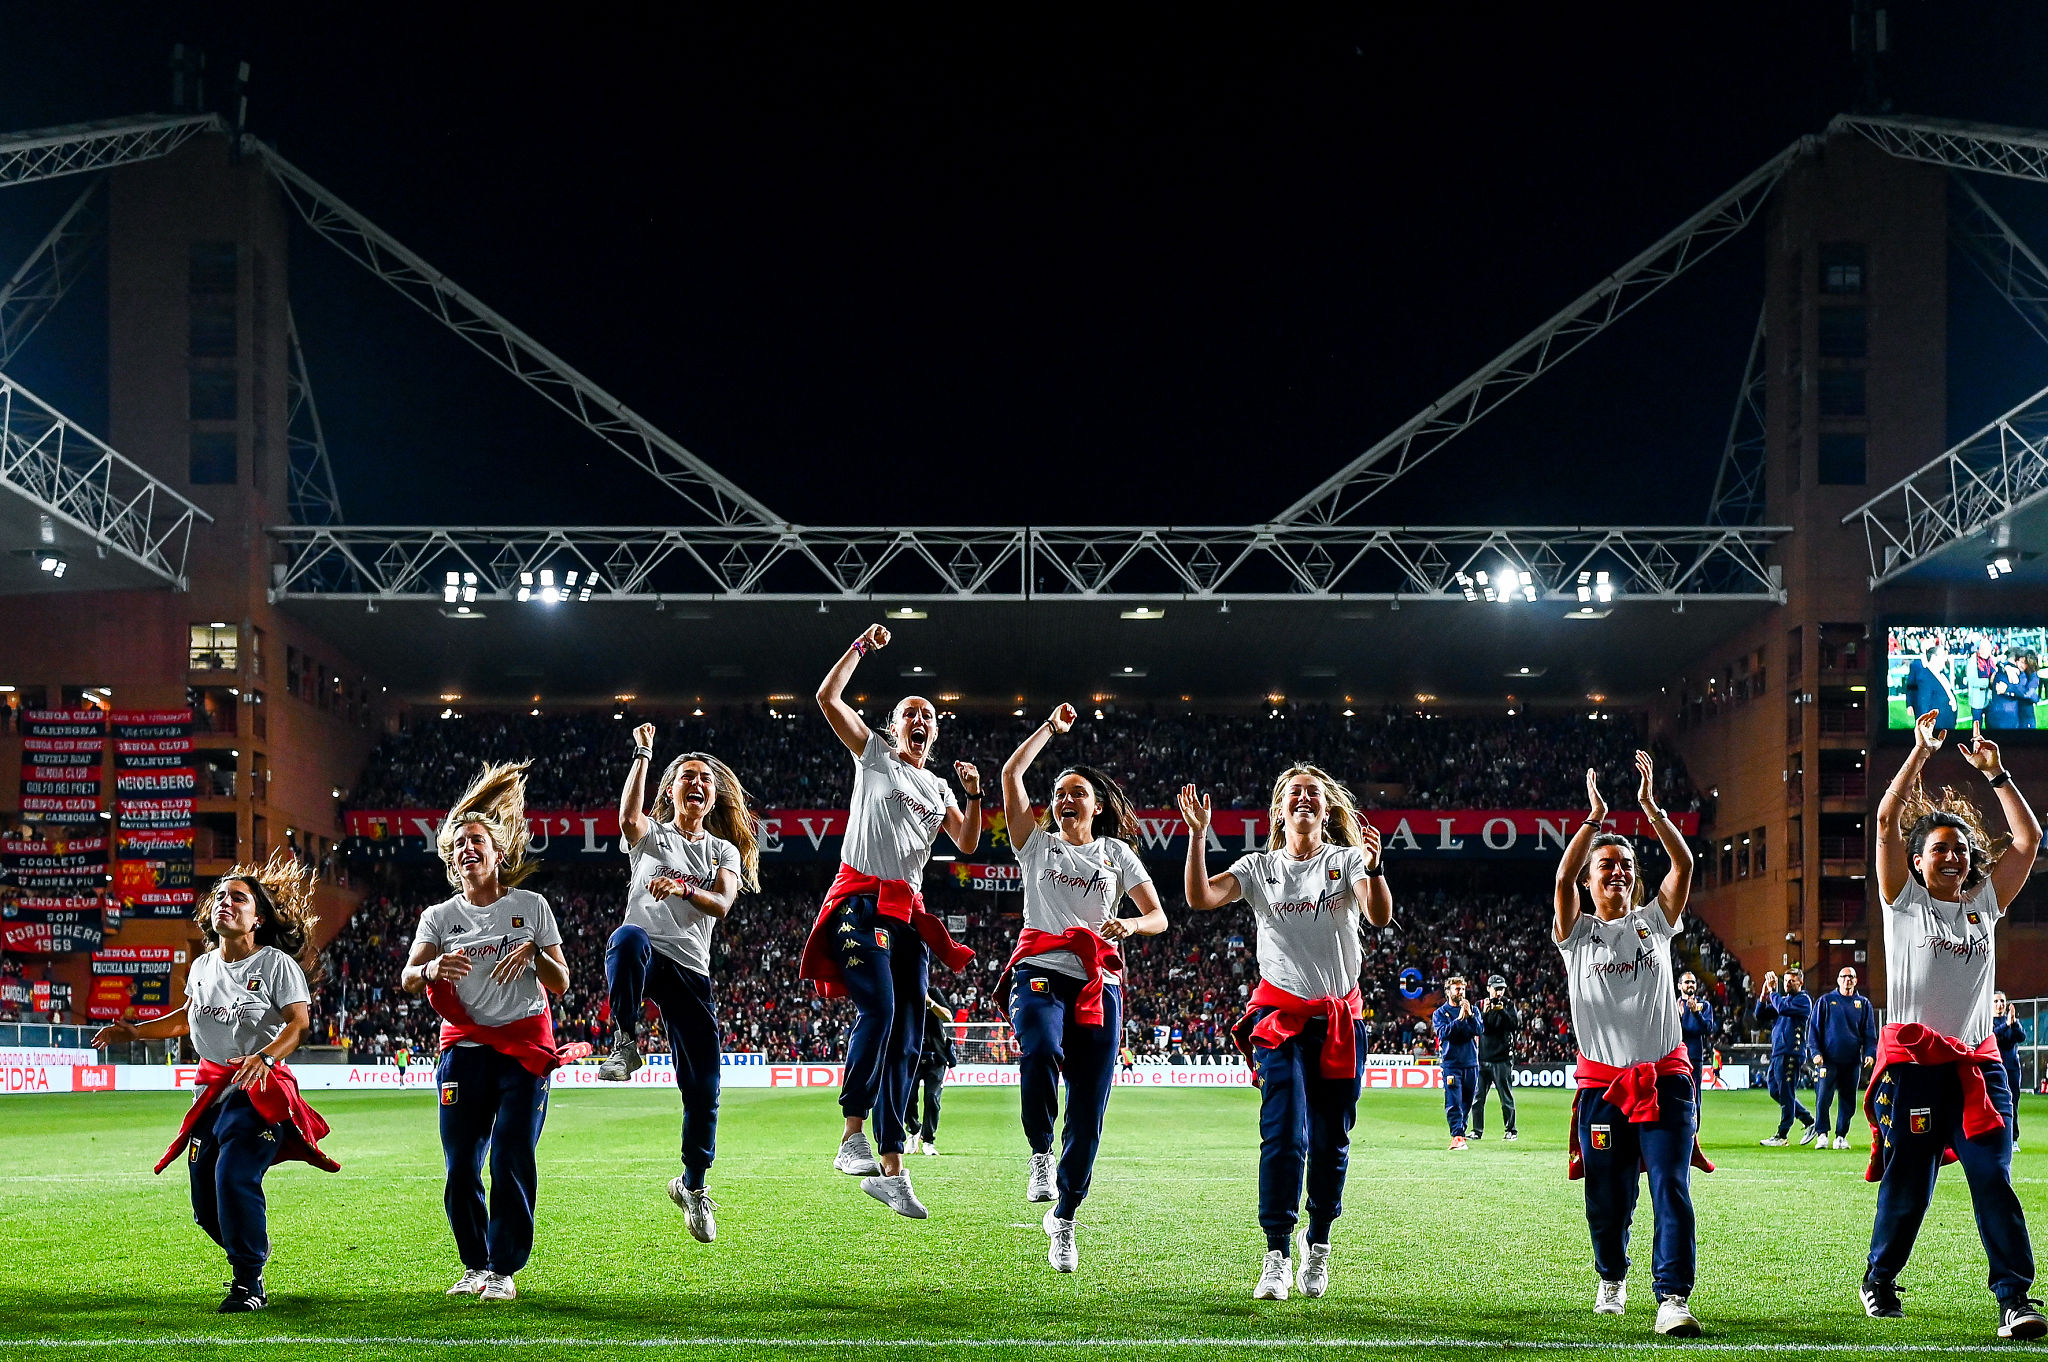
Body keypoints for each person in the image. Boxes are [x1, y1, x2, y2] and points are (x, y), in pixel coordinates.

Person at [1863, 713, 2044, 1338]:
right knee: (1909, 1184)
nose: (1953, 854)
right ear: (1916, 862)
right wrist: (1917, 755)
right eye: (1939, 847)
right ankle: (1879, 1277)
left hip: (1978, 1068)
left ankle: (2015, 1301)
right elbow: (1886, 822)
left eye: (1961, 848)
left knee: (1992, 1177)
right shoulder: (1902, 903)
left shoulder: (1983, 905)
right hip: (1915, 1072)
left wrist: (1997, 776)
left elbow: (2027, 841)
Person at [1182, 765, 1393, 1303]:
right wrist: (1198, 834)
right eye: (1294, 792)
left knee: (1330, 1142)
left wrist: (1376, 866)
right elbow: (1201, 898)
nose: (1303, 799)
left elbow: (1378, 914)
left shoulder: (1345, 860)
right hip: (1280, 1023)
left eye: (1313, 794)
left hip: (1339, 1022)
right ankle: (1276, 1252)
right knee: (1284, 1134)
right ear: (1279, 808)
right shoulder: (1257, 867)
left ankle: (1317, 1243)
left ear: (1326, 811)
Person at [97, 852, 338, 1313]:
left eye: (239, 898)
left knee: (233, 1177)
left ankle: (248, 1281)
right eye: (221, 897)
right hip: (210, 1095)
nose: (225, 902)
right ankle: (250, 1255)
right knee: (205, 1205)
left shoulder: (275, 965)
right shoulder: (204, 965)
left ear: (258, 917)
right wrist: (135, 1030)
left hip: (258, 1092)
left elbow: (299, 1024)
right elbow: (185, 1020)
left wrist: (265, 1058)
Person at [799, 623, 980, 1219]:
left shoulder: (936, 786)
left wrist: (974, 796)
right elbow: (827, 699)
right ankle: (852, 1136)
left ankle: (893, 1167)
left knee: (905, 1041)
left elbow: (968, 840)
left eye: (929, 715)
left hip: (908, 914)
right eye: (911, 712)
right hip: (861, 898)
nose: (921, 720)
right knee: (878, 1008)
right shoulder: (874, 754)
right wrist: (857, 649)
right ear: (895, 725)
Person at [1002, 703, 1169, 1272]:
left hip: (1099, 981)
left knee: (1090, 1111)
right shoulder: (1037, 846)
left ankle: (1065, 1219)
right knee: (1042, 1048)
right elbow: (1009, 777)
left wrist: (1129, 924)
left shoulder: (1116, 854)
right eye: (1060, 792)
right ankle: (1040, 1156)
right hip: (1041, 970)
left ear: (1097, 806)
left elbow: (1159, 917)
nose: (1067, 798)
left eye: (1078, 792)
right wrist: (1049, 729)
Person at [402, 761, 572, 1303]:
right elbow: (408, 975)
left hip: (522, 1050)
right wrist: (430, 970)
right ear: (450, 859)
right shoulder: (438, 917)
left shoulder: (531, 907)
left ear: (498, 852)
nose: (466, 849)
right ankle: (475, 1264)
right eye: (457, 844)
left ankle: (503, 1269)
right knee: (460, 1167)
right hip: (464, 1051)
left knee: (512, 1155)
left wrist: (534, 955)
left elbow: (562, 980)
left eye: (476, 840)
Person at [1554, 752, 1705, 1337]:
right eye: (1606, 867)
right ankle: (1611, 1275)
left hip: (1666, 1081)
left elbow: (1685, 863)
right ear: (1590, 881)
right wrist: (1594, 820)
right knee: (1608, 1193)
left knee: (1670, 1181)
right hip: (1602, 1087)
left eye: (1624, 865)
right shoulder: (1575, 933)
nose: (1616, 872)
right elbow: (1560, 878)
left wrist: (1651, 810)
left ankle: (1672, 1296)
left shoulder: (1655, 922)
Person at [596, 723, 761, 1243]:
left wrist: (684, 887)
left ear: (712, 797)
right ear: (670, 790)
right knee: (626, 939)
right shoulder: (651, 836)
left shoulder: (722, 852)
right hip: (649, 952)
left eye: (705, 780)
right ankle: (625, 1042)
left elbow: (723, 902)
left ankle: (692, 1186)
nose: (697, 783)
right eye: (688, 777)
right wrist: (644, 752)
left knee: (704, 1089)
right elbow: (626, 816)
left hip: (691, 972)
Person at [1813, 966, 1879, 1151]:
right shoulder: (1826, 1001)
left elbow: (1869, 1034)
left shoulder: (1863, 1004)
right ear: (1838, 979)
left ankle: (1841, 1136)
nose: (1847, 980)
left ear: (1856, 981)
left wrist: (1869, 1054)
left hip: (1852, 1062)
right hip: (1828, 1060)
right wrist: (1816, 1053)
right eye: (1844, 976)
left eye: (1851, 977)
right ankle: (1822, 1134)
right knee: (1823, 1098)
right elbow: (1814, 1030)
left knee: (1848, 1100)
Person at [1754, 967, 1819, 1147]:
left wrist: (1774, 992)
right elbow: (1760, 1015)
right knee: (1775, 1090)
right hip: (1779, 1052)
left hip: (1791, 1052)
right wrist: (1763, 994)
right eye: (1786, 980)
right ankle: (1808, 1120)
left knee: (1786, 1092)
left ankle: (1782, 1135)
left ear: (1801, 982)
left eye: (1792, 980)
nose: (1788, 983)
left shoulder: (1803, 1000)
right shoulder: (1785, 1000)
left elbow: (1781, 1007)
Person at [1431, 976, 1482, 1150]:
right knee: (1454, 1100)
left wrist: (1471, 1016)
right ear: (1448, 992)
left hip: (1471, 1063)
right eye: (1457, 989)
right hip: (1451, 1063)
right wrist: (1460, 1020)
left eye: (1462, 989)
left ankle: (1461, 1132)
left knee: (1467, 1101)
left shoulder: (1472, 1010)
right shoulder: (1440, 1013)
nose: (1460, 992)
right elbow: (1444, 1033)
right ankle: (1457, 1136)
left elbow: (1478, 1030)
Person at [1471, 974, 1520, 1143]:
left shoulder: (1508, 1005)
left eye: (1502, 989)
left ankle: (1511, 1130)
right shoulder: (1480, 1005)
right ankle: (1476, 1131)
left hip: (1501, 1060)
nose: (1499, 992)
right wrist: (1485, 1013)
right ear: (1488, 989)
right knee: (1478, 1098)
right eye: (1496, 989)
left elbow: (1514, 1026)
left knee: (1505, 1098)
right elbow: (1479, 1028)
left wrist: (1503, 1012)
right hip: (1483, 1058)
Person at [906, 988, 955, 1157]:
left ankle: (928, 1141)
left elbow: (948, 1016)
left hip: (936, 1057)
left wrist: (930, 1003)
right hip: (911, 1056)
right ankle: (913, 1131)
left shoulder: (932, 992)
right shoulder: (902, 993)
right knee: (907, 1098)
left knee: (932, 1098)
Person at [1676, 972, 1717, 1125]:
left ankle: (1694, 1134)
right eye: (1687, 982)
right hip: (1676, 1057)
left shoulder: (1703, 1006)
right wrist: (1679, 1018)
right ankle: (1680, 1131)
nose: (1690, 985)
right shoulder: (1674, 1005)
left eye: (1692, 982)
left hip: (1693, 1056)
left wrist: (1695, 1013)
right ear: (1680, 986)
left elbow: (1707, 1028)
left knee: (1694, 1095)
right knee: (1677, 1095)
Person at [1903, 637, 1959, 733]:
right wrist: (1909, 703)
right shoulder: (1916, 665)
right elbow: (1911, 686)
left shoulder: (1941, 672)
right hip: (1924, 706)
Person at [1993, 992, 2026, 1153]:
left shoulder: (2013, 1022)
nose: (1999, 1004)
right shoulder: (1988, 1023)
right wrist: (2006, 1024)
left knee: (2013, 1103)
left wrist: (2014, 1023)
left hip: (2012, 1069)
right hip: (1995, 1068)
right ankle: (1996, 1137)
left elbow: (2021, 1037)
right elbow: (1991, 1036)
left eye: (2002, 1001)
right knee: (1994, 1103)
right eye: (1996, 1001)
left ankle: (2013, 1139)